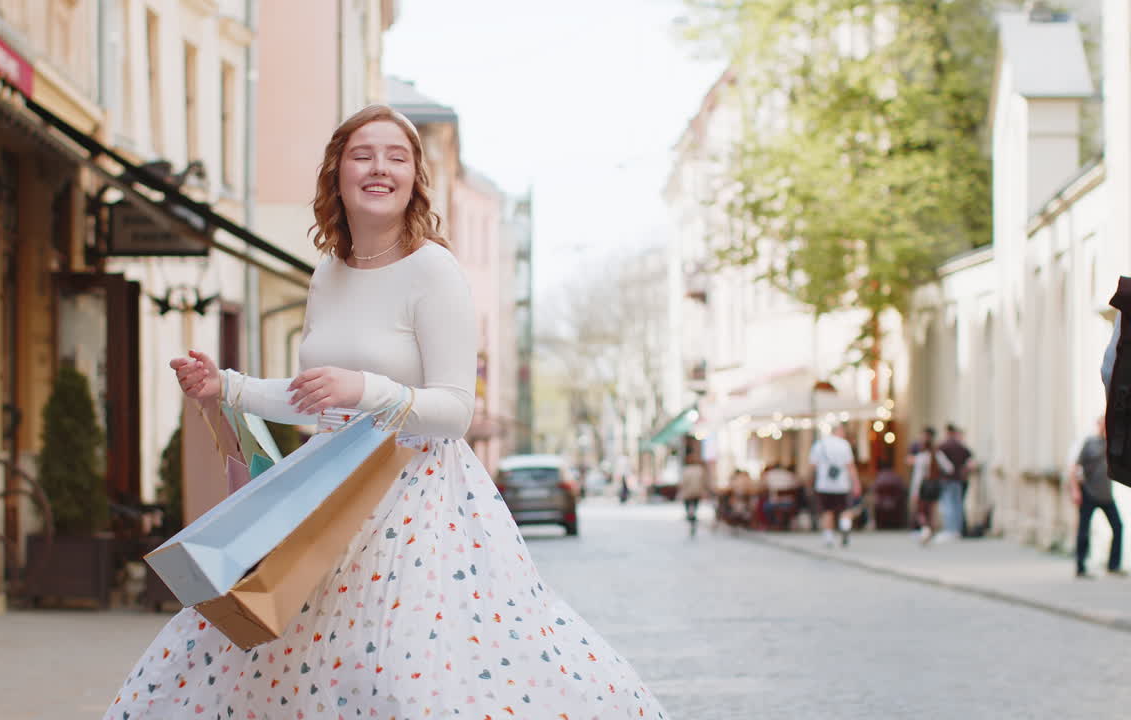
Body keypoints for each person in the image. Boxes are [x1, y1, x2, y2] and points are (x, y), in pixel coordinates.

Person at [103, 106, 669, 720]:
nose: (380, 168)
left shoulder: (434, 268)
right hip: (326, 495)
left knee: (407, 671)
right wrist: (226, 387)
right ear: (337, 174)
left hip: (419, 505)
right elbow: (312, 396)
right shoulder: (328, 272)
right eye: (362, 154)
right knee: (279, 662)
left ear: (414, 177)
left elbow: (455, 410)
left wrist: (367, 389)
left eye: (397, 156)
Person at [1069, 415, 1126, 579]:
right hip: (1089, 493)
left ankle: (1113, 565)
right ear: (1098, 424)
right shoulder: (1090, 443)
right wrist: (1075, 490)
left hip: (1107, 496)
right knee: (1084, 530)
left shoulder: (1114, 446)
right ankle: (1080, 567)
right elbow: (1074, 468)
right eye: (1103, 423)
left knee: (1118, 527)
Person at [809, 424, 860, 547]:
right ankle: (845, 527)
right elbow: (851, 466)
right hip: (842, 485)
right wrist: (856, 483)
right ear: (839, 431)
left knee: (827, 511)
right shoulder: (844, 445)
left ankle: (829, 538)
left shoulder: (819, 445)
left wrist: (811, 481)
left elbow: (812, 466)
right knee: (845, 509)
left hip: (823, 485)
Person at [907, 427, 952, 545]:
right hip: (935, 485)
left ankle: (925, 529)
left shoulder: (921, 456)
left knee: (921, 510)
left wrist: (914, 492)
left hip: (925, 486)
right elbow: (949, 468)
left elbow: (918, 477)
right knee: (932, 510)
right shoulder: (937, 454)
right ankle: (931, 530)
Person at [937, 423, 975, 542]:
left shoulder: (943, 446)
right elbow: (970, 462)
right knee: (958, 505)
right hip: (959, 480)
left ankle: (949, 529)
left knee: (948, 505)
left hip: (947, 479)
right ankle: (957, 530)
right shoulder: (961, 447)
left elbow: (941, 463)